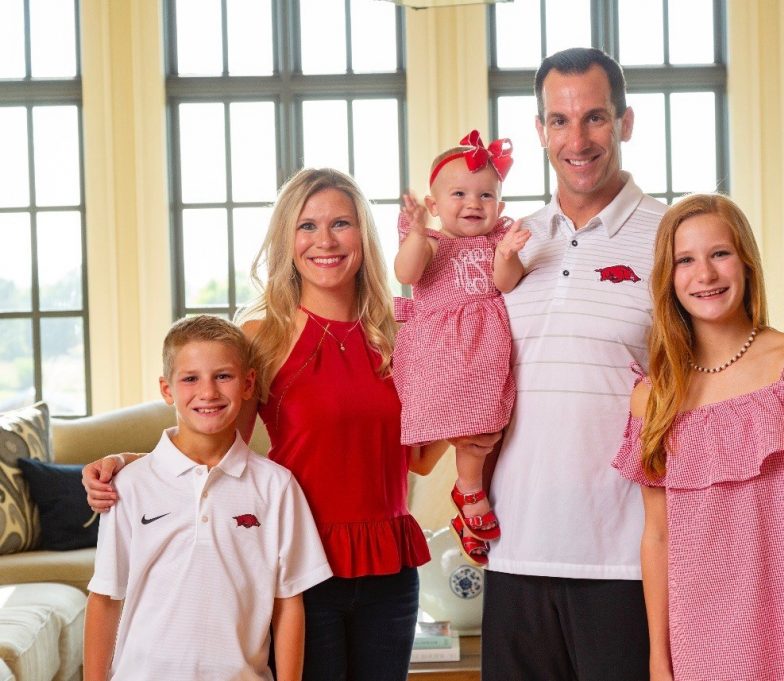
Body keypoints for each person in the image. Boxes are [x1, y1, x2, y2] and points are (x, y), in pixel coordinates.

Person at [83, 168, 448, 681]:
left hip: (389, 568)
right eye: (307, 226)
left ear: (363, 234)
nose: (325, 241)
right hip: (297, 564)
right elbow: (216, 445)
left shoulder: (401, 330)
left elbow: (419, 461)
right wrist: (130, 463)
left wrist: (467, 424)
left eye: (341, 223)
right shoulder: (262, 336)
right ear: (287, 239)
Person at [613, 193, 784, 680]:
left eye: (720, 253)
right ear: (668, 278)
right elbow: (657, 536)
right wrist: (658, 657)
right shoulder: (653, 397)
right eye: (685, 260)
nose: (705, 274)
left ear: (746, 262)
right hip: (699, 635)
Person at [470, 47, 666, 680]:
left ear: (625, 122)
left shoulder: (673, 238)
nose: (577, 140)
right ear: (540, 130)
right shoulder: (510, 243)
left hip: (625, 557)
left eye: (595, 118)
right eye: (560, 120)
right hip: (515, 550)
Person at [83, 315, 332, 681]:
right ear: (167, 389)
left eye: (223, 376)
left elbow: (289, 602)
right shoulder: (130, 485)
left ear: (248, 384)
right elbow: (105, 597)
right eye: (190, 379)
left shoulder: (276, 487)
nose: (208, 392)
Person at [393, 130, 530, 566]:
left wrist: (506, 254)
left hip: (484, 353)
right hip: (441, 353)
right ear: (433, 206)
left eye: (485, 195)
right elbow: (407, 272)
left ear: (500, 207)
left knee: (487, 429)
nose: (473, 203)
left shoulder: (495, 242)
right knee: (473, 429)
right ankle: (469, 493)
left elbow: (506, 282)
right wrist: (416, 234)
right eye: (459, 194)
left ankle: (470, 505)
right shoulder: (433, 242)